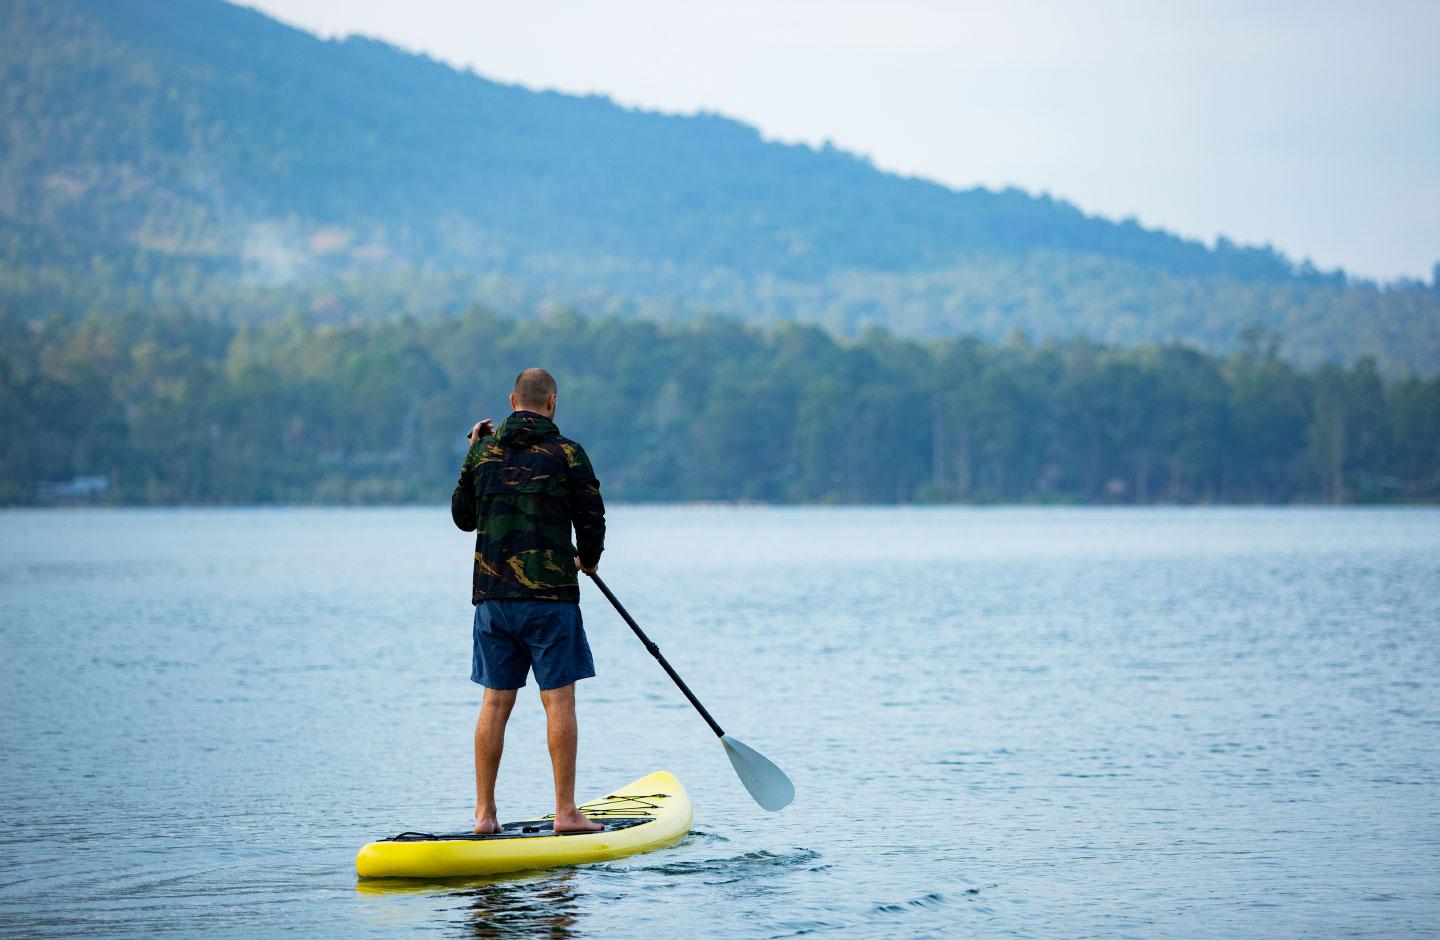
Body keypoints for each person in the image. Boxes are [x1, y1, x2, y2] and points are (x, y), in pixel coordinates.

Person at [451, 367, 606, 834]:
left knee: (494, 704)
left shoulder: (484, 452)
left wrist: (472, 452)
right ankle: (566, 813)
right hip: (551, 599)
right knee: (558, 702)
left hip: (494, 599)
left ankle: (484, 815)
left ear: (512, 401)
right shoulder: (568, 454)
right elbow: (592, 518)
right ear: (552, 402)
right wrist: (589, 560)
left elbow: (463, 516)